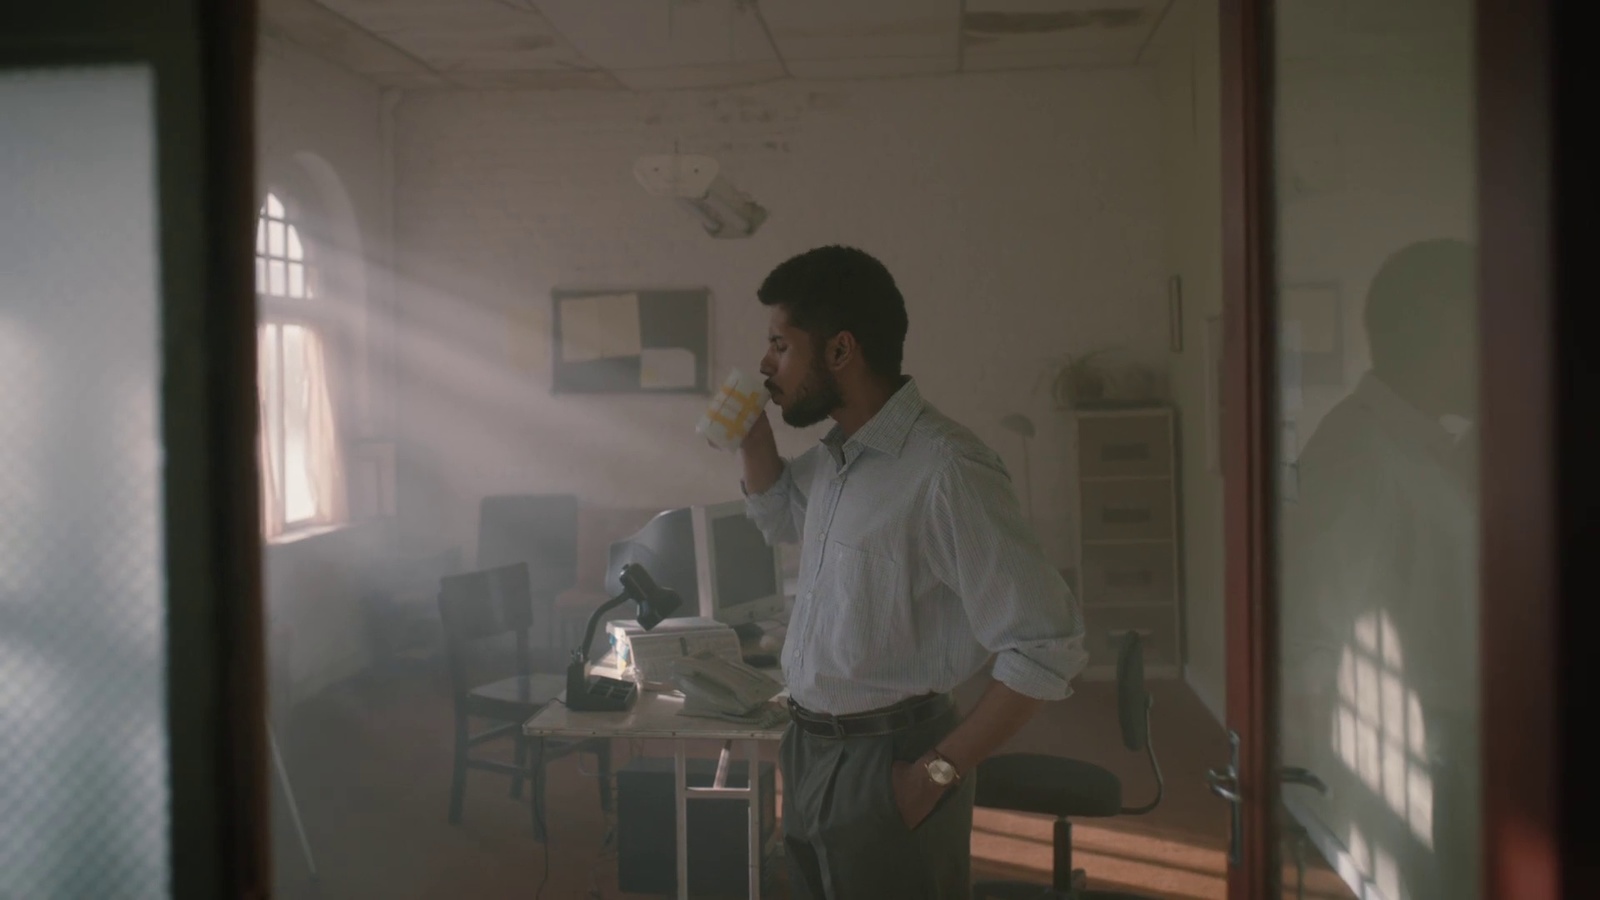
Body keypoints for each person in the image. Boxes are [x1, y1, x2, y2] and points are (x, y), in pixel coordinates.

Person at [733, 245, 1087, 899]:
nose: (764, 364)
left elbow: (1047, 647)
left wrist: (929, 778)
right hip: (809, 749)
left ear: (840, 351)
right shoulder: (838, 459)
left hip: (890, 760)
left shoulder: (946, 470)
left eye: (780, 345)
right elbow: (783, 519)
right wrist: (754, 438)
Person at [1279, 238, 1479, 900]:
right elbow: (1311, 629)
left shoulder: (1431, 450)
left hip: (1455, 756)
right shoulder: (1360, 456)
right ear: (1442, 335)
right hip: (1426, 765)